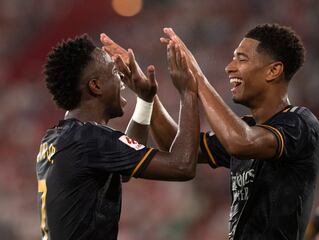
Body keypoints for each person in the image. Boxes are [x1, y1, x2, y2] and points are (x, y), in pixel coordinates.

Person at [138, 23, 319, 240]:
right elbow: (177, 147)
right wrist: (147, 98)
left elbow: (240, 143)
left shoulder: (300, 123)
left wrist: (198, 78)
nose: (229, 67)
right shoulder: (247, 128)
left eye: (241, 59)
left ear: (273, 70)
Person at [36, 34, 199, 240]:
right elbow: (182, 165)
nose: (122, 78)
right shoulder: (88, 139)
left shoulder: (55, 138)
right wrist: (188, 92)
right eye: (114, 71)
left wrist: (145, 101)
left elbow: (124, 170)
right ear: (95, 86)